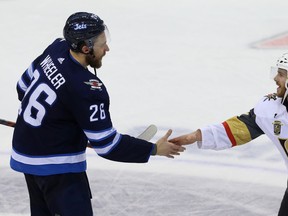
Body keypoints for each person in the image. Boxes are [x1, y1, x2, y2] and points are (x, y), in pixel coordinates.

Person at [10, 12, 185, 216]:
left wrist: (51, 122)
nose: (107, 48)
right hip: (57, 167)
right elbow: (108, 145)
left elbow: (23, 87)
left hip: (26, 154)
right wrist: (153, 149)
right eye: (102, 44)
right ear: (86, 48)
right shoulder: (87, 88)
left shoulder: (56, 47)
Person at [170, 53, 288, 216]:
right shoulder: (271, 109)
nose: (276, 78)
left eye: (281, 74)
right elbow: (238, 129)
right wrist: (195, 136)